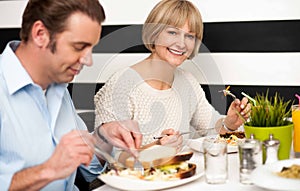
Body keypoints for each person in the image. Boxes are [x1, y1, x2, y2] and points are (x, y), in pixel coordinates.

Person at [0, 0, 142, 190]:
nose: (88, 60)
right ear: (40, 34)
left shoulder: (57, 83)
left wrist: (104, 137)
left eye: (90, 48)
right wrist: (48, 170)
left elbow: (89, 168)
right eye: (78, 47)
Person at [94, 0, 251, 162]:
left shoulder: (188, 82)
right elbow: (108, 160)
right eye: (172, 33)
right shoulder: (120, 85)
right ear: (154, 34)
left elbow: (211, 130)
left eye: (190, 36)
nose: (181, 43)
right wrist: (157, 148)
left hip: (180, 178)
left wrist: (229, 123)